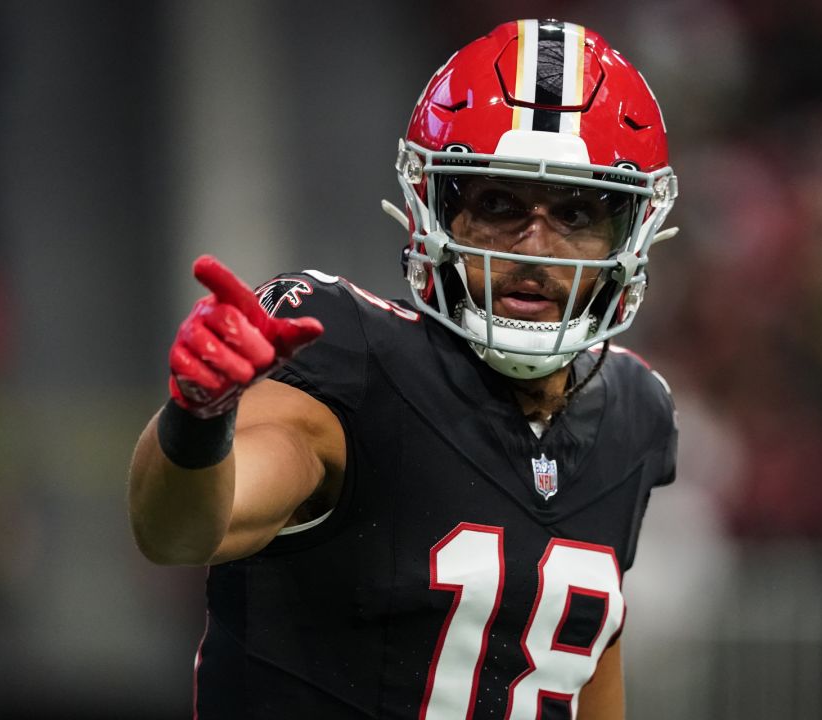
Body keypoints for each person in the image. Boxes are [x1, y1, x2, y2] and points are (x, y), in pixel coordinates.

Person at [128, 18, 680, 719]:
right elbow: (179, 532)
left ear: (630, 233)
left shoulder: (634, 412)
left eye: (577, 212)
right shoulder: (353, 356)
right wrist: (198, 421)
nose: (536, 247)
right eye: (498, 204)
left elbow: (582, 660)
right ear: (434, 211)